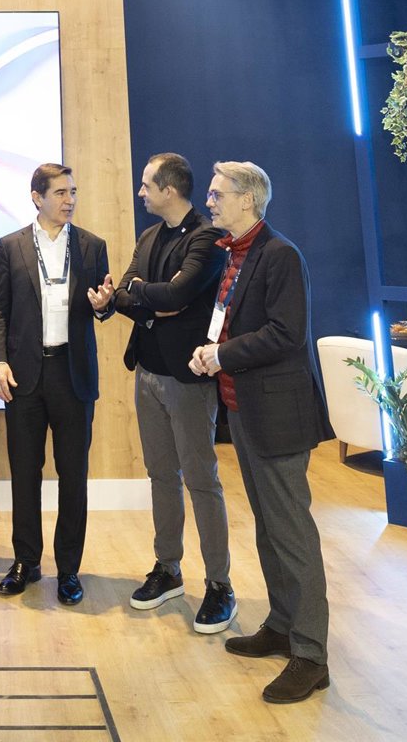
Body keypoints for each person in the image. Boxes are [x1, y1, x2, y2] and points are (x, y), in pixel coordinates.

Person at [190, 161, 334, 704]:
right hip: (245, 410)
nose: (209, 202)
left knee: (292, 533)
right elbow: (233, 322)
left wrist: (222, 354)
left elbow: (286, 334)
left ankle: (311, 655)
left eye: (217, 194)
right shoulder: (235, 252)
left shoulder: (280, 255)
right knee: (270, 529)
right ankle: (281, 624)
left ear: (248, 199)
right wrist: (213, 352)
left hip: (278, 415)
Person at [115, 152, 235, 632]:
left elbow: (179, 296)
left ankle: (220, 584)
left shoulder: (207, 238)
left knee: (201, 480)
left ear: (169, 189)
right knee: (161, 475)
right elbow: (127, 294)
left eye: (147, 185)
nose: (140, 192)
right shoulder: (149, 236)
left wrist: (143, 293)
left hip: (188, 380)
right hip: (146, 373)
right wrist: (147, 297)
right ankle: (168, 569)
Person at [0, 163, 115, 606]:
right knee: (25, 473)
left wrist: (103, 306)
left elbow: (103, 306)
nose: (69, 200)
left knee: (73, 475)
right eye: (60, 192)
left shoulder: (92, 246)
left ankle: (69, 569)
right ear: (37, 197)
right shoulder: (11, 245)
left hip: (73, 374)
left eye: (73, 192)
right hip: (24, 375)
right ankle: (26, 562)